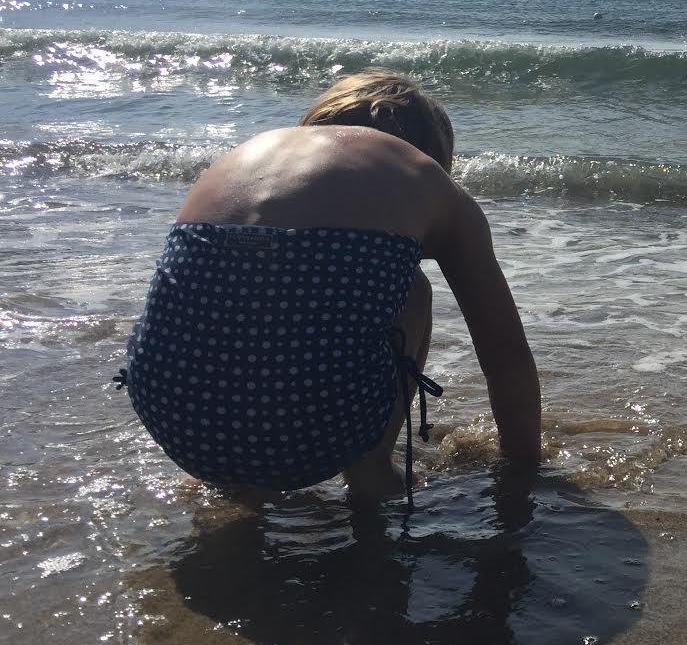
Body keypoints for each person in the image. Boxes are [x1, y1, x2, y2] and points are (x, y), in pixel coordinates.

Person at [116, 69, 541, 503]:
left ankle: (229, 483)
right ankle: (372, 471)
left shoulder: (248, 152)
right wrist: (523, 469)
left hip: (175, 419)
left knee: (244, 279)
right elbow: (504, 355)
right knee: (412, 288)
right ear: (431, 149)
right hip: (317, 434)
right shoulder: (422, 173)